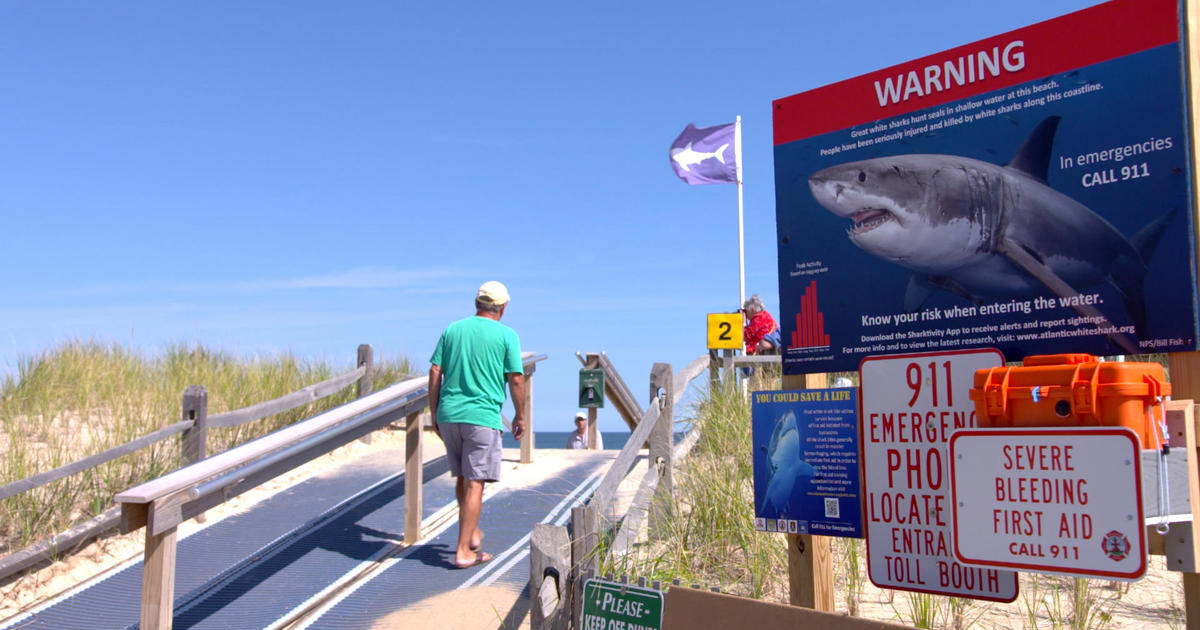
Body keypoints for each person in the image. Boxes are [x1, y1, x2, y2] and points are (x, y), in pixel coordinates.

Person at [428, 280, 526, 569]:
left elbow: (435, 370)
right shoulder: (507, 336)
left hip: (449, 415)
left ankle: (471, 535)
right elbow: (516, 378)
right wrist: (520, 415)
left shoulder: (453, 329)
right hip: (481, 417)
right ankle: (463, 551)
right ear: (503, 307)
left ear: (477, 303)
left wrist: (434, 412)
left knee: (463, 477)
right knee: (475, 483)